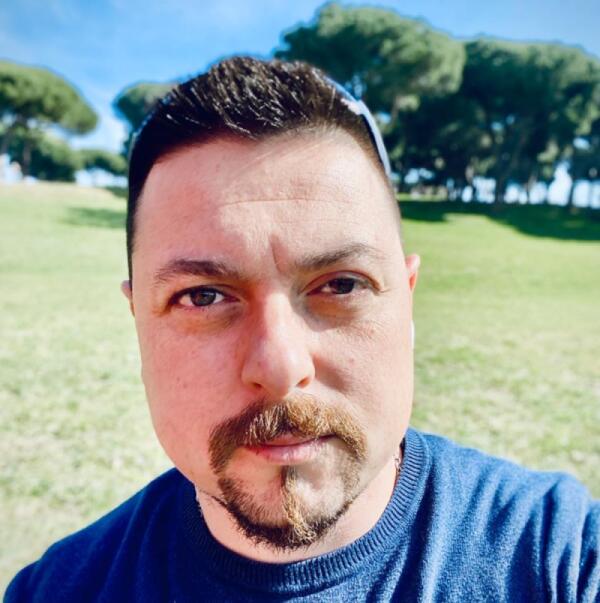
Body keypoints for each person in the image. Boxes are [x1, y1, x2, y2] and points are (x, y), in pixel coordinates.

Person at [5, 56, 599, 602]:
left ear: (408, 305)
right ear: (139, 324)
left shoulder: (562, 561)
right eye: (203, 296)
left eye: (341, 285)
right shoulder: (56, 591)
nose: (281, 366)